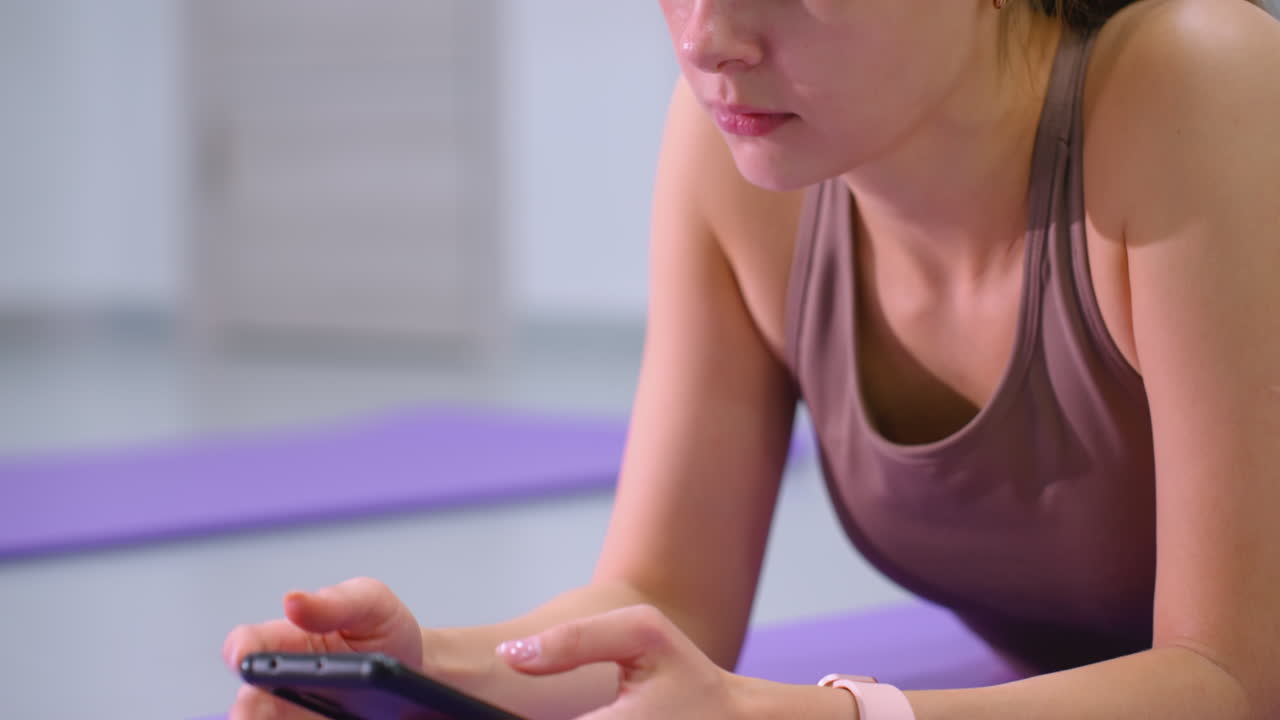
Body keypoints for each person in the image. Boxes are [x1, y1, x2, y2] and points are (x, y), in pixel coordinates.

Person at [223, 0, 1280, 717]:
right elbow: (664, 595)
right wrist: (435, 671)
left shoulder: (1198, 85)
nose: (709, 37)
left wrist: (818, 712)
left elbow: (1233, 679)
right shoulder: (733, 160)